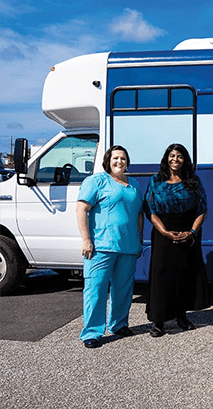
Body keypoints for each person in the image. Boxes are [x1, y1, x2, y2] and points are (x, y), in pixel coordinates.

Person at [76, 145, 143, 349]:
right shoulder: (97, 181)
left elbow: (139, 213)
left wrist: (139, 239)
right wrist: (86, 239)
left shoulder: (134, 185)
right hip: (101, 246)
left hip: (128, 246)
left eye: (123, 158)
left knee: (123, 290)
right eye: (115, 158)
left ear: (127, 162)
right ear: (108, 160)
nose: (119, 162)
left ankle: (119, 324)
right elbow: (81, 208)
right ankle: (93, 332)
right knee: (95, 290)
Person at [144, 143, 210, 337]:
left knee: (184, 275)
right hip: (163, 233)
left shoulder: (193, 181)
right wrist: (164, 232)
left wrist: (191, 232)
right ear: (166, 158)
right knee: (161, 276)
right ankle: (158, 321)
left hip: (188, 233)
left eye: (179, 156)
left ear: (185, 160)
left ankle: (181, 317)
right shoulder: (155, 181)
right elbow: (150, 210)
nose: (175, 159)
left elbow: (202, 210)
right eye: (172, 156)